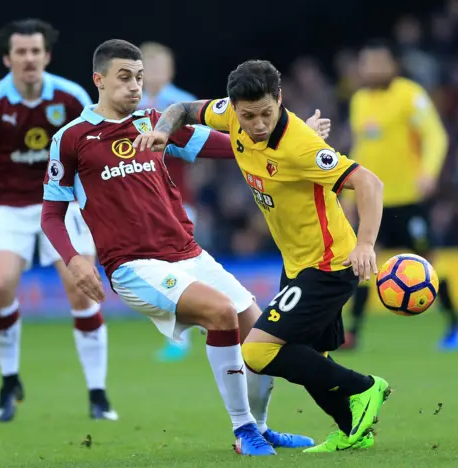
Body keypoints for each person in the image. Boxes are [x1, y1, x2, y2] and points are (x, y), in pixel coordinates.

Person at [41, 39, 318, 456]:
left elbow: (229, 148)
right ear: (98, 80)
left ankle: (261, 427)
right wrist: (74, 259)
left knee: (262, 335)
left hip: (187, 253)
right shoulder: (72, 138)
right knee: (221, 313)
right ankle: (243, 430)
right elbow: (50, 214)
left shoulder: (156, 122)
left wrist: (286, 142)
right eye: (124, 77)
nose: (135, 86)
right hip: (133, 266)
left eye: (138, 77)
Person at [134, 59, 390, 453]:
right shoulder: (230, 114)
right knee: (310, 358)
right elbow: (182, 110)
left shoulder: (300, 146)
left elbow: (369, 183)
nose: (256, 124)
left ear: (280, 100)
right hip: (297, 264)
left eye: (266, 114)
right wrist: (163, 132)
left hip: (327, 265)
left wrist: (366, 244)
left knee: (256, 350)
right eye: (248, 115)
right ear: (233, 107)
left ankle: (365, 387)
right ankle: (352, 429)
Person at [0, 19, 116, 422]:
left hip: (63, 203)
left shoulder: (70, 97)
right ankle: (9, 381)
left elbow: (91, 154)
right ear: (7, 58)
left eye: (36, 51)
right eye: (21, 52)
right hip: (10, 207)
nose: (29, 59)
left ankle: (98, 394)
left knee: (82, 291)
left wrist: (94, 208)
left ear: (46, 56)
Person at [342, 39, 458, 351]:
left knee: (429, 262)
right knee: (362, 263)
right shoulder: (359, 101)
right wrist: (347, 196)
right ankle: (353, 333)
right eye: (366, 64)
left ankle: (457, 325)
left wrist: (428, 171)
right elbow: (361, 148)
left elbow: (435, 135)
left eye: (377, 63)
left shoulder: (410, 96)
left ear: (392, 65)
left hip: (409, 199)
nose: (371, 69)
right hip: (374, 202)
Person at [139, 41, 198, 362]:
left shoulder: (181, 104)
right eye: (148, 66)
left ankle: (182, 337)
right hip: (140, 198)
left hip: (177, 197)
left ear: (171, 70)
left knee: (179, 266)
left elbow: (197, 148)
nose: (154, 72)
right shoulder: (130, 104)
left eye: (160, 65)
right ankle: (202, 319)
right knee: (160, 268)